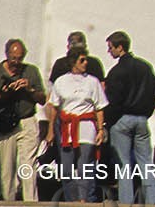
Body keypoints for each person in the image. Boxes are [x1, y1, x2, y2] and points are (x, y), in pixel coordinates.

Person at [105, 30, 155, 205]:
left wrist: (109, 121)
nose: (109, 51)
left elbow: (114, 101)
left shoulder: (116, 72)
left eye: (111, 47)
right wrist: (146, 113)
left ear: (120, 47)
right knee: (146, 163)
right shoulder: (145, 67)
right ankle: (152, 201)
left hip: (122, 120)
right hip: (142, 119)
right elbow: (153, 92)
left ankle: (126, 202)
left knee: (124, 165)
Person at [47, 48, 106, 203]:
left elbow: (99, 108)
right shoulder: (61, 81)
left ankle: (84, 200)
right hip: (67, 128)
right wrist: (50, 130)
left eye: (86, 59)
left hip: (87, 127)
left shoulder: (92, 81)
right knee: (66, 169)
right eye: (82, 60)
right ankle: (71, 199)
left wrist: (100, 130)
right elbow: (54, 107)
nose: (85, 63)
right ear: (73, 62)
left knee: (84, 167)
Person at [0, 38, 46, 202]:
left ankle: (31, 202)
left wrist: (29, 89)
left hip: (26, 120)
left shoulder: (31, 71)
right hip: (4, 124)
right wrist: (6, 93)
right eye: (13, 58)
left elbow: (43, 99)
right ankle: (8, 203)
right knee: (6, 170)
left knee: (27, 165)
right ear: (6, 54)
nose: (16, 62)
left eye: (20, 58)